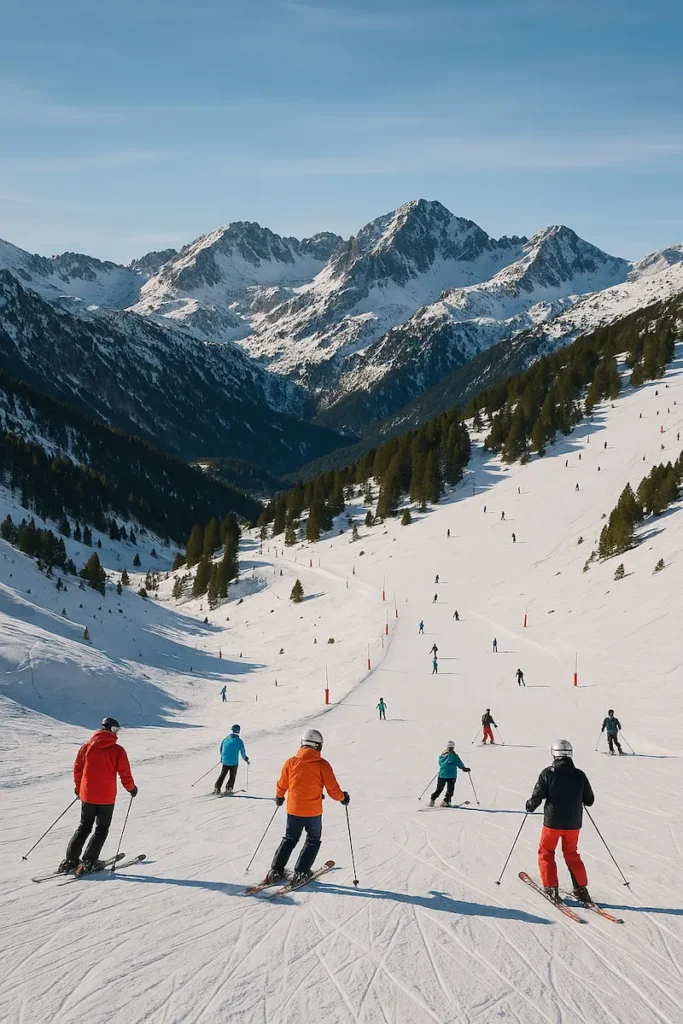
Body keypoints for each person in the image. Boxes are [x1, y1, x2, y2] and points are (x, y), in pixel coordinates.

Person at [265, 728, 348, 884]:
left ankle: (276, 870)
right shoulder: (322, 765)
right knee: (313, 840)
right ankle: (301, 871)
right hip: (312, 812)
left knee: (290, 838)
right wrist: (342, 797)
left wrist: (279, 796)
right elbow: (332, 789)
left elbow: (283, 783)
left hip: (294, 810)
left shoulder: (291, 762)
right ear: (318, 746)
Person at [58, 717, 137, 874]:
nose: (116, 734)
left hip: (87, 795)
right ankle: (89, 861)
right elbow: (125, 773)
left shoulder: (86, 747)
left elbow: (77, 769)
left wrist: (79, 788)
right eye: (115, 730)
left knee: (84, 827)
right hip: (106, 798)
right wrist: (131, 788)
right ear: (110, 729)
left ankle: (70, 861)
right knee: (101, 829)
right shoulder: (117, 750)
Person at [525, 739, 594, 903]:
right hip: (574, 823)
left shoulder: (548, 773)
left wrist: (530, 806)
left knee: (546, 852)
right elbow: (589, 800)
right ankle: (581, 889)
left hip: (552, 822)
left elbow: (537, 796)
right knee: (571, 854)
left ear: (554, 754)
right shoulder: (580, 774)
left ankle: (551, 887)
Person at [429, 740, 470, 806]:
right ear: (453, 747)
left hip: (442, 774)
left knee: (439, 789)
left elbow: (440, 763)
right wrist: (464, 768)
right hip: (451, 775)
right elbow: (458, 762)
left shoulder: (442, 755)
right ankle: (446, 801)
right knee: (450, 790)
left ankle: (432, 800)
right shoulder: (453, 755)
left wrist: (444, 767)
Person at [214, 724, 249, 794]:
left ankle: (217, 787)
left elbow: (221, 749)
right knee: (232, 776)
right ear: (238, 731)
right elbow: (242, 751)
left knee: (223, 774)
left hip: (225, 761)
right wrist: (245, 758)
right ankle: (229, 788)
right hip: (234, 762)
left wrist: (222, 758)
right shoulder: (239, 741)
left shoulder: (225, 739)